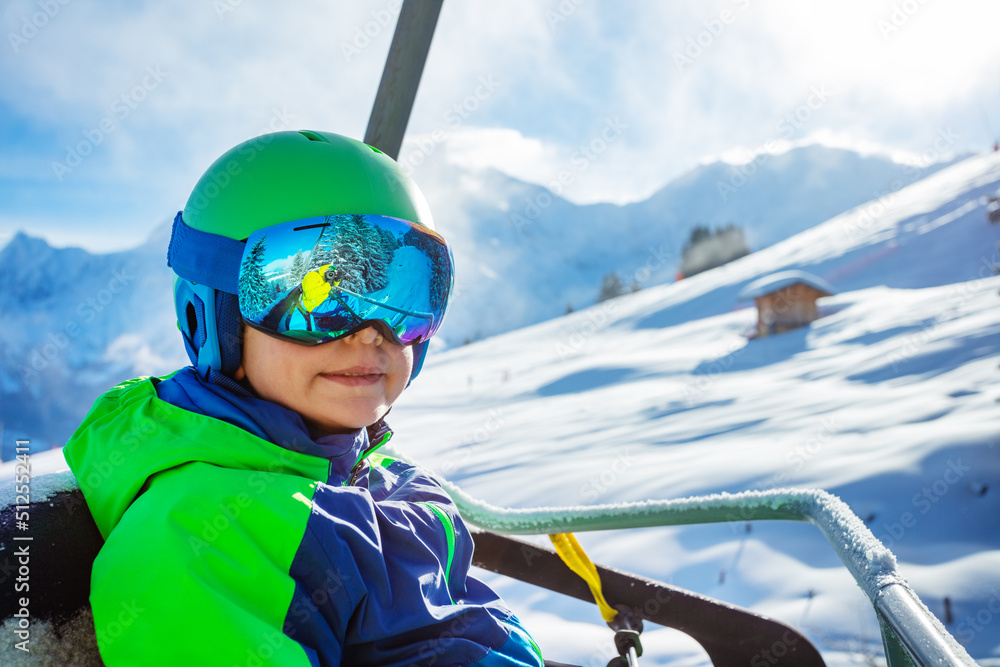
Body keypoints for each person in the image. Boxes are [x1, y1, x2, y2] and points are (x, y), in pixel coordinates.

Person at [63, 130, 543, 666]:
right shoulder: (200, 536)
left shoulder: (383, 476)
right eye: (316, 297)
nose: (369, 333)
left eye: (404, 297)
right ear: (212, 316)